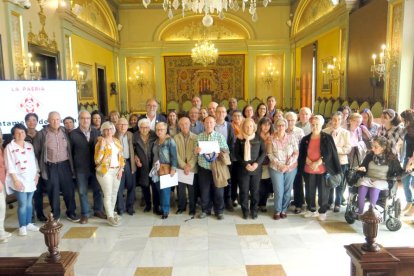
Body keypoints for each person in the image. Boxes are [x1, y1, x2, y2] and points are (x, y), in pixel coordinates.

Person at [33, 111, 79, 222]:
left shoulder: (64, 131)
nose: (55, 122)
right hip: (50, 166)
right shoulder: (42, 134)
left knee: (69, 190)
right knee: (53, 191)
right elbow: (36, 152)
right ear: (48, 120)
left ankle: (71, 213)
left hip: (65, 165)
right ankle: (56, 215)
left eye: (58, 119)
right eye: (53, 119)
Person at [298, 115, 341, 221]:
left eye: (317, 124)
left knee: (323, 192)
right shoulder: (305, 139)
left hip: (322, 169)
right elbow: (302, 153)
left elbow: (330, 153)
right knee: (309, 190)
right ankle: (311, 209)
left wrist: (318, 162)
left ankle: (322, 211)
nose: (315, 126)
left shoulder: (327, 137)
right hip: (309, 169)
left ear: (321, 125)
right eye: (313, 124)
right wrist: (308, 161)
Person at [69, 111, 105, 224]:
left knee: (98, 190)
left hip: (95, 167)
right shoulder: (73, 134)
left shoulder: (96, 132)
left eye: (88, 118)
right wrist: (72, 168)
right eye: (83, 118)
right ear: (79, 119)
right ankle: (85, 213)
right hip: (80, 168)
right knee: (82, 191)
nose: (86, 120)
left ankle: (98, 210)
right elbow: (70, 152)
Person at [4, 124, 40, 236]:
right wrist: (15, 180)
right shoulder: (9, 147)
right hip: (19, 179)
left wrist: (37, 175)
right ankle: (22, 226)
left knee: (29, 203)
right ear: (13, 135)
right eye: (18, 133)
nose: (21, 134)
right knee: (23, 203)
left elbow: (34, 161)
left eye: (23, 132)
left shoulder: (29, 145)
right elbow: (9, 165)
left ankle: (29, 223)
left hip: (31, 179)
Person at [356, 136, 403, 214]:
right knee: (362, 185)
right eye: (372, 146)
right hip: (368, 178)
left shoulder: (392, 158)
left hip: (383, 180)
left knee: (375, 187)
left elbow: (399, 172)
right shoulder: (370, 156)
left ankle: (371, 211)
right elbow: (363, 166)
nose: (373, 149)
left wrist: (407, 169)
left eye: (376, 147)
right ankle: (360, 210)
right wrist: (361, 169)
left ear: (383, 147)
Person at [196, 116, 229, 220]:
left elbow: (227, 150)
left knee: (218, 190)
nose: (209, 124)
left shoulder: (219, 136)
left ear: (215, 123)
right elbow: (196, 153)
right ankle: (205, 210)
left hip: (217, 168)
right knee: (204, 191)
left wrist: (219, 151)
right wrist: (196, 151)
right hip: (203, 168)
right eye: (207, 122)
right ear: (203, 124)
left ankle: (219, 211)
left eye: (211, 122)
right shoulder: (199, 137)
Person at [234, 118, 266, 219]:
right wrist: (245, 164)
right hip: (243, 169)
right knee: (243, 191)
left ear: (254, 127)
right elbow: (236, 154)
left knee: (255, 191)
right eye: (246, 126)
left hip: (256, 169)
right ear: (243, 127)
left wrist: (256, 164)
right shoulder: (239, 139)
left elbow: (263, 153)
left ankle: (254, 210)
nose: (249, 128)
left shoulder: (259, 138)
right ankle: (245, 210)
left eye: (251, 126)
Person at [95, 121, 125, 226]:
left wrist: (121, 169)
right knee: (107, 194)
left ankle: (111, 213)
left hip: (117, 170)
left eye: (111, 129)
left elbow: (121, 156)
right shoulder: (100, 142)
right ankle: (110, 217)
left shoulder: (116, 141)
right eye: (106, 129)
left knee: (114, 193)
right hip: (105, 171)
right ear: (102, 131)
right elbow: (97, 160)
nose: (108, 131)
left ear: (114, 130)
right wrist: (102, 147)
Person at [268, 118, 299, 220]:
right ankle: (277, 210)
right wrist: (280, 165)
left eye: (283, 125)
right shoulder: (271, 138)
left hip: (291, 167)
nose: (281, 127)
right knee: (278, 190)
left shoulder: (292, 137)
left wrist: (288, 165)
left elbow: (296, 152)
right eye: (279, 125)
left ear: (286, 127)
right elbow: (270, 154)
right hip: (276, 167)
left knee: (287, 189)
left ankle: (283, 210)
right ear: (275, 127)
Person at [323, 111, 352, 212]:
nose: (336, 122)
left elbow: (348, 148)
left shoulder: (345, 133)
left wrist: (335, 149)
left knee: (339, 183)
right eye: (334, 119)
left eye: (339, 120)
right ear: (331, 120)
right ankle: (329, 202)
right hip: (329, 162)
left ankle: (338, 203)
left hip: (341, 161)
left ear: (342, 121)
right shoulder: (325, 131)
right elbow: (322, 147)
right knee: (329, 181)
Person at [153, 122, 178, 219]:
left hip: (167, 168)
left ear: (165, 130)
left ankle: (165, 211)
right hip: (156, 169)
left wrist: (173, 168)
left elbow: (174, 156)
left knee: (165, 191)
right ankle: (161, 207)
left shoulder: (170, 141)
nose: (159, 131)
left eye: (161, 129)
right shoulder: (155, 142)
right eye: (157, 129)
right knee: (159, 189)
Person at [24, 112, 46, 222]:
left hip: (40, 167)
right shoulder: (22, 135)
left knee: (38, 192)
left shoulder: (41, 134)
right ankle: (30, 215)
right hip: (26, 168)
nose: (31, 122)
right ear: (26, 122)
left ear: (37, 121)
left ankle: (40, 213)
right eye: (29, 120)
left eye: (33, 120)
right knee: (28, 193)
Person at [133, 119, 159, 214]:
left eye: (147, 127)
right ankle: (148, 205)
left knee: (155, 185)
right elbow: (132, 149)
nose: (145, 129)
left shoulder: (154, 135)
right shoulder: (135, 136)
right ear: (139, 128)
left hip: (153, 163)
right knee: (145, 185)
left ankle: (156, 206)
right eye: (142, 127)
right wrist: (135, 156)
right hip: (142, 164)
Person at [174, 117, 198, 215]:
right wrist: (184, 166)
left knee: (192, 191)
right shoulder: (175, 138)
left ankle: (192, 209)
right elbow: (175, 154)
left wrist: (189, 165)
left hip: (192, 168)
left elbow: (196, 154)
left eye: (186, 124)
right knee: (180, 190)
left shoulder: (196, 137)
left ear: (189, 125)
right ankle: (181, 207)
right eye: (182, 124)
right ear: (179, 126)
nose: (184, 126)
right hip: (180, 169)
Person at [214, 105, 236, 211]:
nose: (221, 114)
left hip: (226, 158)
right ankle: (217, 202)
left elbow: (232, 142)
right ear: (215, 113)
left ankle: (228, 201)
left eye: (223, 112)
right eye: (219, 112)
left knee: (228, 180)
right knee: (215, 179)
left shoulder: (229, 126)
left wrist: (226, 154)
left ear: (226, 114)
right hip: (213, 157)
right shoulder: (211, 124)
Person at [115, 118, 137, 216]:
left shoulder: (131, 135)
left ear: (128, 125)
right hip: (117, 164)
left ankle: (130, 207)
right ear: (116, 125)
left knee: (131, 185)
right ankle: (120, 208)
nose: (123, 126)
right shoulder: (113, 136)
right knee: (119, 187)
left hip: (129, 162)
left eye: (125, 124)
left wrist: (136, 157)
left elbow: (136, 148)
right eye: (120, 124)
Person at [285, 111, 305, 214]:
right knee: (286, 183)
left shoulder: (300, 131)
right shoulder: (282, 130)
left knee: (297, 183)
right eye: (288, 120)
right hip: (284, 161)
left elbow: (302, 147)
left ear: (296, 120)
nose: (290, 122)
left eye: (292, 120)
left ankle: (298, 204)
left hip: (297, 161)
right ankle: (285, 202)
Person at [257, 117, 274, 212]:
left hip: (269, 164)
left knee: (266, 185)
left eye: (268, 124)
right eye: (264, 124)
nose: (266, 127)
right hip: (258, 163)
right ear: (260, 125)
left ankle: (263, 204)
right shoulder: (256, 135)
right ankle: (257, 203)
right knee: (258, 185)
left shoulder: (273, 135)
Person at [400, 109, 414, 216]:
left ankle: (412, 206)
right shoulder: (407, 129)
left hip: (412, 159)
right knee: (405, 182)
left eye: (404, 119)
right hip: (407, 158)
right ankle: (409, 202)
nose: (402, 121)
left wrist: (410, 162)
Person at [0, 129, 12, 243]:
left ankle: (1, 230)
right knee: (1, 207)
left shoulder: (1, 147)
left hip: (2, 182)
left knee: (2, 208)